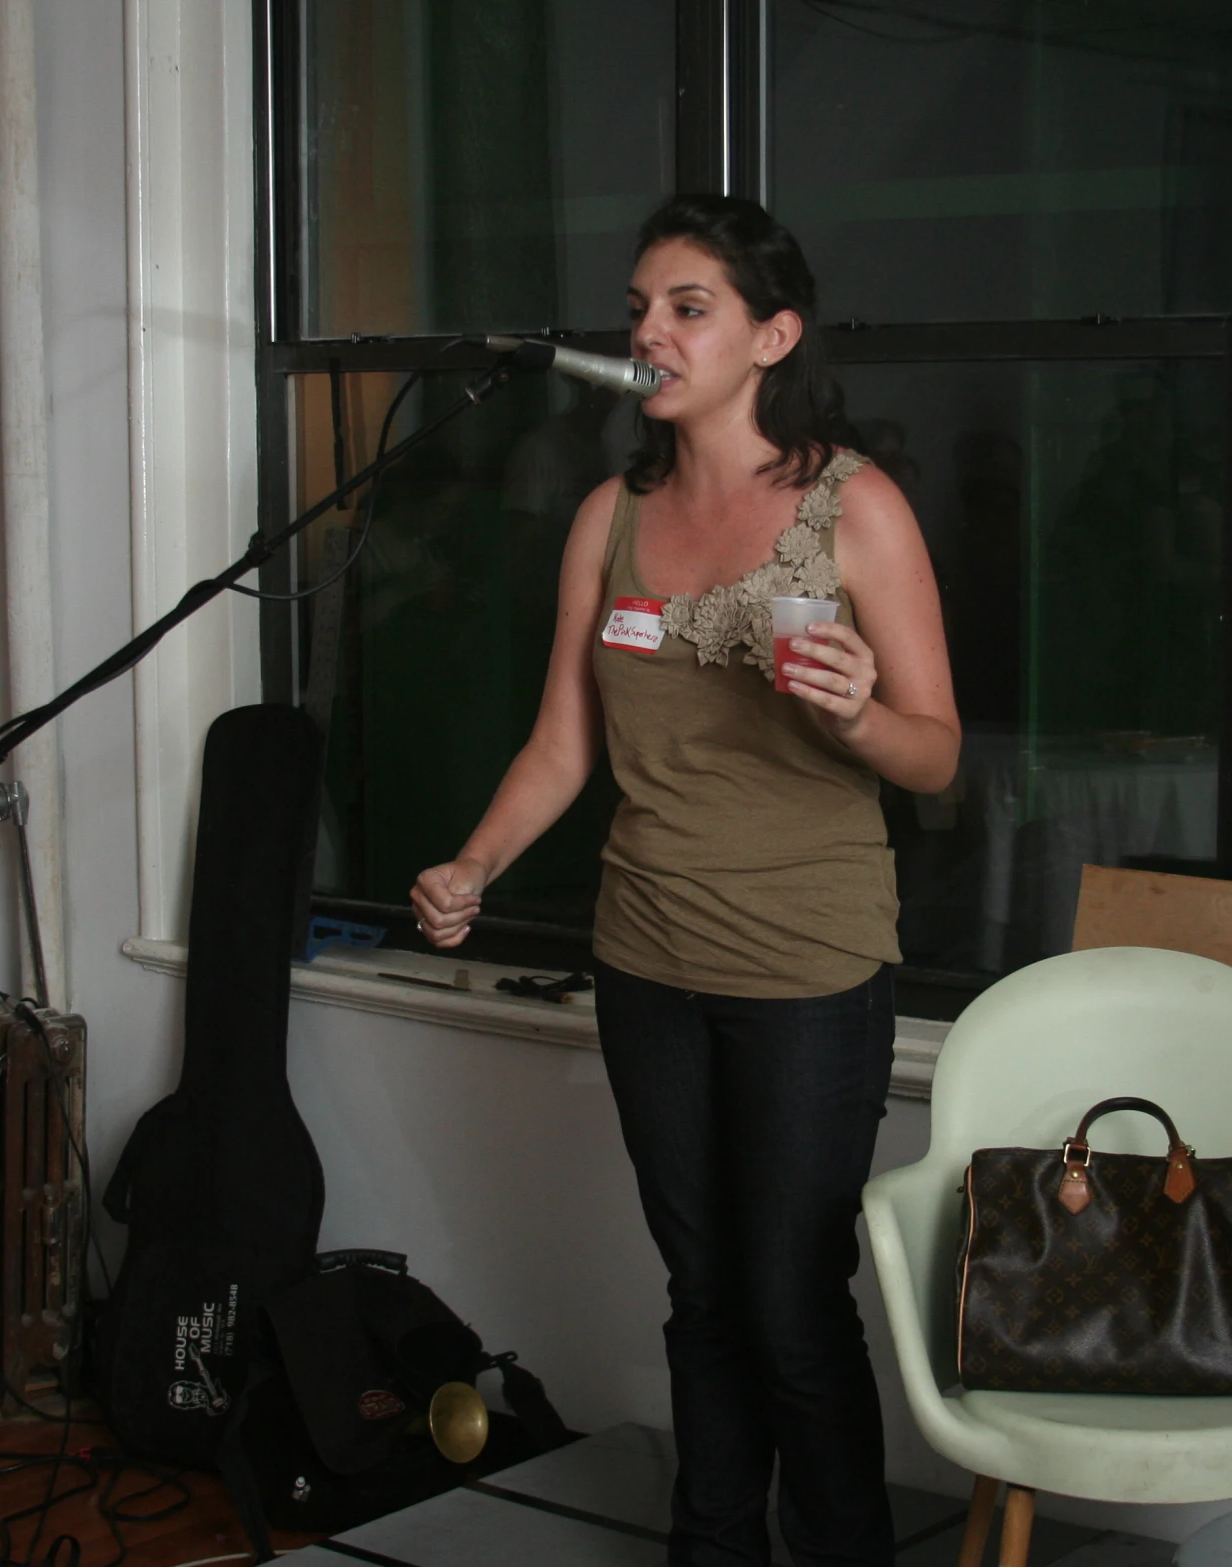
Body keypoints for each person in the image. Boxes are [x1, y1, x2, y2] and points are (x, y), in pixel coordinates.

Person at [411, 194, 959, 1567]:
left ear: (771, 335)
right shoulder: (610, 515)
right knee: (703, 1293)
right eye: (640, 308)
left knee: (788, 1303)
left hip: (806, 968)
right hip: (645, 956)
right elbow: (560, 742)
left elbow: (936, 754)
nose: (648, 330)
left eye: (687, 306)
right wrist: (471, 862)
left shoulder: (855, 507)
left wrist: (853, 717)